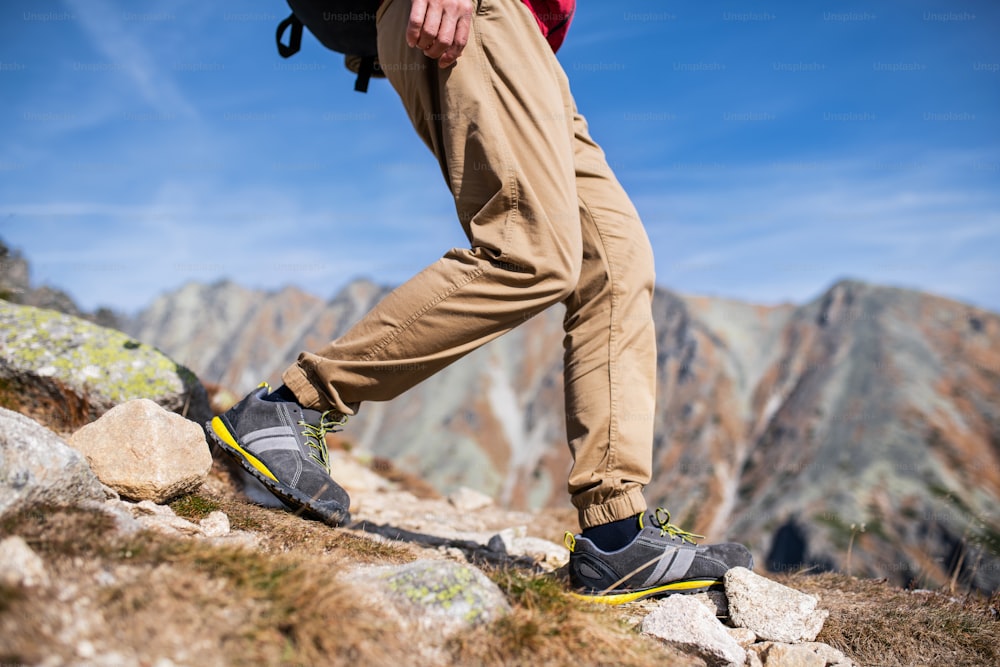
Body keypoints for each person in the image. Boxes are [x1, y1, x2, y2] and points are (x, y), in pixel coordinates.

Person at [208, 0, 752, 603]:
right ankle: (289, 404)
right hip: (482, 14)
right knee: (531, 251)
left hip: (530, 43)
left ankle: (617, 537)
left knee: (615, 267)